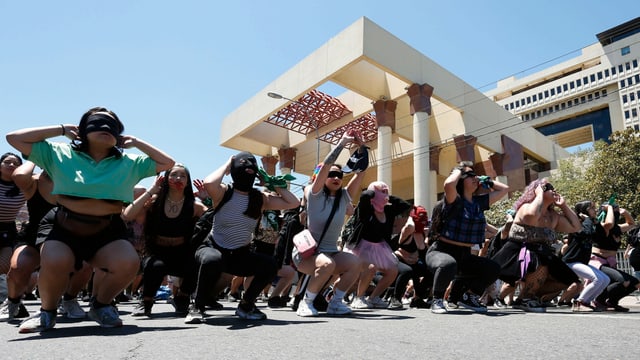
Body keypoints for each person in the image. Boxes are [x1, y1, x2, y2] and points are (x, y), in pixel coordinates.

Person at [6, 106, 175, 332]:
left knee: (129, 263)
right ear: (83, 130)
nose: (104, 127)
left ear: (118, 135)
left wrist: (136, 142)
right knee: (56, 262)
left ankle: (101, 305)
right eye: (97, 123)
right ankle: (47, 312)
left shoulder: (130, 162)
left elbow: (167, 163)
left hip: (107, 228)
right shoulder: (58, 152)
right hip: (65, 224)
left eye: (112, 125)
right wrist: (62, 129)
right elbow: (13, 138)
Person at [184, 151, 299, 323]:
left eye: (252, 164)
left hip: (239, 255)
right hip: (213, 248)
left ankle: (246, 305)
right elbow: (209, 183)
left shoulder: (260, 198)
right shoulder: (224, 192)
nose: (249, 166)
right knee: (211, 260)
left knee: (269, 264)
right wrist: (227, 165)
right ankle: (197, 306)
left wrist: (271, 183)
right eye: (243, 163)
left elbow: (293, 203)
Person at [0, 161, 92, 322]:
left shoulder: (76, 185)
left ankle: (69, 299)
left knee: (84, 267)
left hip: (68, 237)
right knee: (18, 268)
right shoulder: (33, 182)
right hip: (33, 237)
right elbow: (20, 175)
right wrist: (35, 156)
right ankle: (12, 302)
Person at [294, 131, 365, 317]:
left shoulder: (343, 198)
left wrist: (363, 147)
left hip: (331, 252)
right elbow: (325, 165)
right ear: (322, 177)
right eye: (332, 175)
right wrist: (341, 144)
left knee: (356, 263)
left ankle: (335, 302)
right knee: (327, 264)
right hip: (308, 254)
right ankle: (306, 302)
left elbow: (361, 172)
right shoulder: (314, 193)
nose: (336, 178)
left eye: (339, 176)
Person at [425, 161, 509, 314]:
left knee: (493, 268)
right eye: (470, 175)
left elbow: (504, 189)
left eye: (475, 175)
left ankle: (468, 296)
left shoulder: (478, 202)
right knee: (448, 264)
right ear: (461, 179)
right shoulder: (454, 199)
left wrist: (487, 181)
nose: (475, 178)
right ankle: (437, 299)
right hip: (441, 251)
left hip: (464, 255)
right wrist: (458, 169)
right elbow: (449, 184)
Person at [123, 164, 206, 317]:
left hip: (182, 252)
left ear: (187, 182)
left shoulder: (195, 206)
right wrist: (151, 190)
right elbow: (128, 214)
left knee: (196, 262)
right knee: (155, 265)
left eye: (183, 176)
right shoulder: (154, 202)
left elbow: (213, 220)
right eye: (174, 175)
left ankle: (182, 298)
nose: (178, 178)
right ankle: (146, 302)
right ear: (166, 179)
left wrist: (207, 199)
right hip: (157, 251)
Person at [492, 179, 581, 313]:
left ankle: (527, 297)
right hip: (518, 249)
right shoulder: (526, 207)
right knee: (538, 265)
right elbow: (533, 216)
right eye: (550, 187)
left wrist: (563, 206)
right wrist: (539, 194)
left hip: (542, 252)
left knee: (574, 283)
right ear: (538, 190)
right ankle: (516, 298)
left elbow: (575, 227)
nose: (554, 190)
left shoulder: (553, 216)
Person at [344, 181, 412, 310]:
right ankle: (358, 298)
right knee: (370, 268)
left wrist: (387, 196)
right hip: (361, 247)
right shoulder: (365, 209)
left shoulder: (388, 210)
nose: (385, 194)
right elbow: (364, 196)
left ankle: (374, 297)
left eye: (386, 191)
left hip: (379, 247)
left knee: (392, 271)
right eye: (382, 191)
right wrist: (374, 192)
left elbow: (405, 205)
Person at [561, 200, 610, 312]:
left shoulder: (589, 224)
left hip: (581, 262)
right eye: (592, 208)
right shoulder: (576, 225)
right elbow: (585, 233)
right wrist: (588, 220)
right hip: (571, 261)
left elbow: (602, 237)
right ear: (584, 211)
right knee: (597, 279)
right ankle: (579, 302)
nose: (595, 210)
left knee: (605, 279)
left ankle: (587, 302)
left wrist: (597, 223)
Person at [589, 201, 639, 311]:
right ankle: (598, 299)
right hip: (598, 262)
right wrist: (610, 208)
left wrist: (625, 213)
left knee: (635, 283)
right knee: (622, 281)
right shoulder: (601, 227)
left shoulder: (618, 228)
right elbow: (609, 224)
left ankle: (612, 301)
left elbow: (631, 224)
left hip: (610, 263)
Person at [388, 205, 432, 309]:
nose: (422, 220)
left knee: (431, 272)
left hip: (414, 263)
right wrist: (412, 215)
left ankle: (418, 299)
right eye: (420, 217)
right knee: (407, 271)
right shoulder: (408, 229)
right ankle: (395, 299)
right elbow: (410, 224)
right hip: (399, 260)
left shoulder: (422, 233)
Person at [0, 153, 26, 279]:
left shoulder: (25, 186)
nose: (11, 165)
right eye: (7, 162)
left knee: (4, 266)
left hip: (7, 230)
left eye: (16, 164)